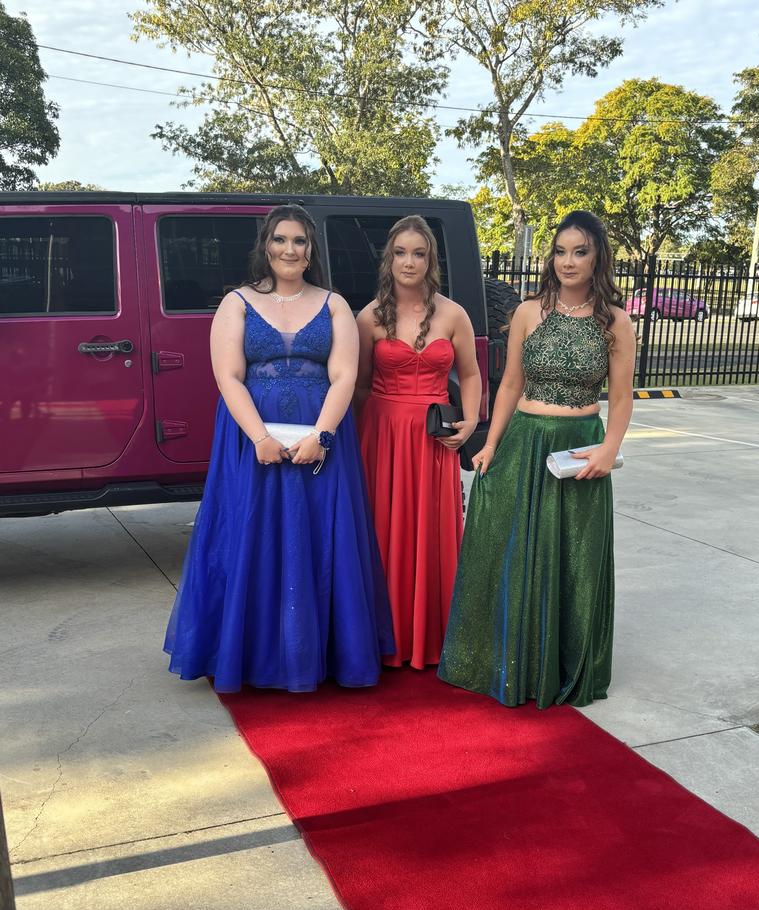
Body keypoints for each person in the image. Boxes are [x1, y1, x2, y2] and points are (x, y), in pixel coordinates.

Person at [165, 206, 393, 692]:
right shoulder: (237, 303)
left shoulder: (334, 305)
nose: (290, 250)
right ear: (265, 246)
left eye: (300, 242)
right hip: (251, 441)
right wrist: (260, 439)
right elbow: (228, 376)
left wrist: (323, 436)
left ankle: (320, 654)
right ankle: (253, 655)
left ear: (311, 252)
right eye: (281, 240)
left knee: (321, 540)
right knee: (254, 536)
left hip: (323, 439)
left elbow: (345, 376)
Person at [438, 210, 635, 708]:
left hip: (579, 445)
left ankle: (562, 662)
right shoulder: (527, 312)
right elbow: (509, 384)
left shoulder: (615, 320)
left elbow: (622, 396)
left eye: (580, 251)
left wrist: (609, 450)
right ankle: (509, 658)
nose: (568, 262)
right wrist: (490, 442)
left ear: (598, 258)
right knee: (511, 547)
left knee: (573, 557)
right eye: (561, 251)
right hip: (525, 441)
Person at [355, 215, 481, 669]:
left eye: (419, 253)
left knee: (434, 531)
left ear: (431, 261)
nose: (409, 262)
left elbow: (469, 373)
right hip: (384, 435)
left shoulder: (453, 313)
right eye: (401, 252)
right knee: (384, 531)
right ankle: (385, 635)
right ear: (388, 258)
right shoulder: (368, 316)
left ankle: (432, 634)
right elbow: (360, 385)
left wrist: (469, 423)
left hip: (435, 438)